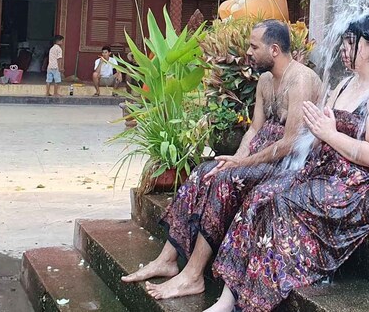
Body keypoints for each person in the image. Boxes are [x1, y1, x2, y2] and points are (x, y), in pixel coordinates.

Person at [203, 15, 369, 312]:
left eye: (351, 42)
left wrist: (328, 133)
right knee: (260, 195)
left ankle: (257, 298)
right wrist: (315, 134)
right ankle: (227, 300)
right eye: (344, 40)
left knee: (282, 201)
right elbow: (320, 135)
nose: (344, 48)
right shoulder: (345, 85)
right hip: (334, 173)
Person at [122, 19, 321, 300]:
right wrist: (236, 157)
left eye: (254, 47)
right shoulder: (265, 81)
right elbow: (254, 129)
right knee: (207, 170)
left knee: (227, 179)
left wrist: (241, 165)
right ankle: (167, 258)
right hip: (257, 159)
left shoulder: (300, 80)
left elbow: (290, 144)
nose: (249, 52)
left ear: (274, 50)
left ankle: (192, 276)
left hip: (288, 167)